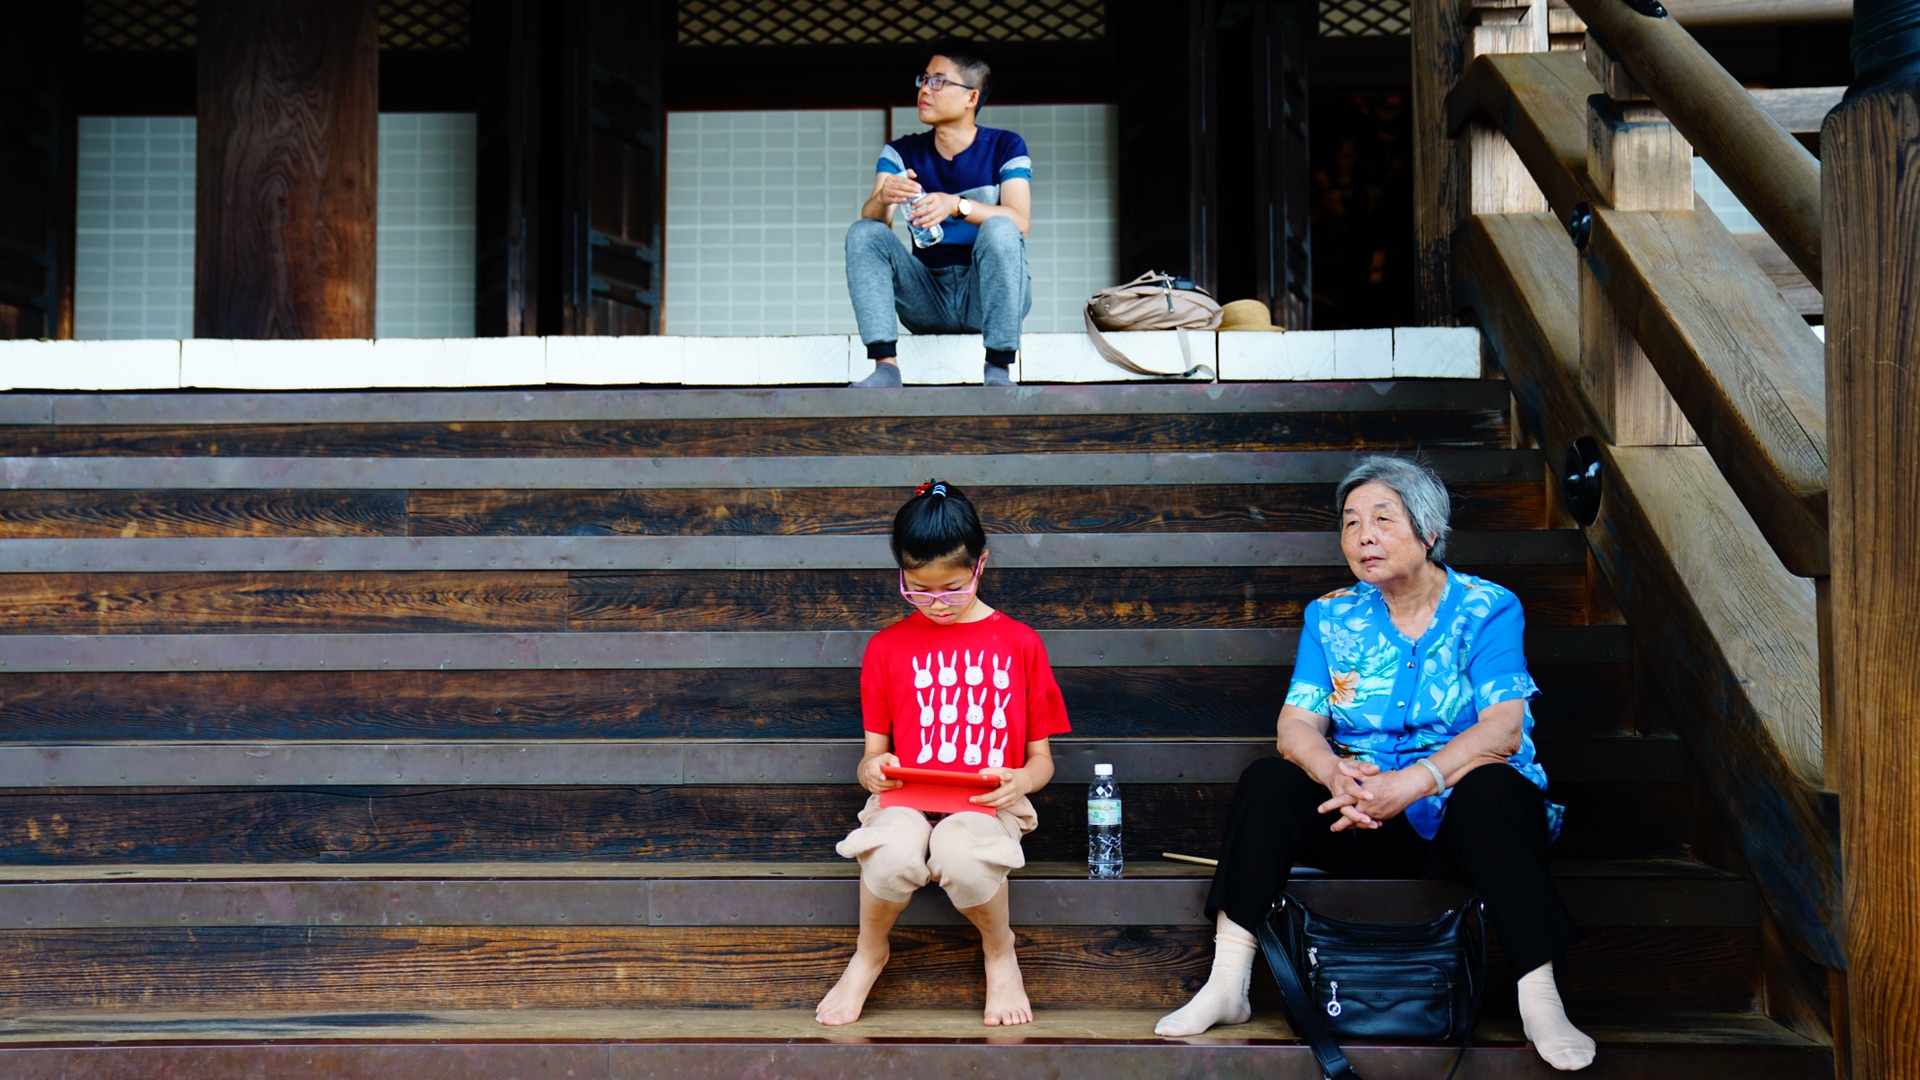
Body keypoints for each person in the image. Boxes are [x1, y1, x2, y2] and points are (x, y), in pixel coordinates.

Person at [1153, 455, 1597, 1072]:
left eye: (1384, 519)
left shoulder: (1488, 608)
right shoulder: (1331, 615)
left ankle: (1539, 996)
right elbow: (1296, 725)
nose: (1364, 535)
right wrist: (1335, 773)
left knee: (1495, 789)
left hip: (1461, 823)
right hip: (1361, 818)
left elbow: (1503, 726)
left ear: (1430, 531)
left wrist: (1415, 782)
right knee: (1269, 782)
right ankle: (1228, 980)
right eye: (1351, 522)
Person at [815, 480, 1070, 1027]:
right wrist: (873, 771)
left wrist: (1019, 782)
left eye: (951, 589)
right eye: (919, 589)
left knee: (962, 855)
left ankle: (1000, 950)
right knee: (890, 851)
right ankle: (869, 952)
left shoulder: (1020, 643)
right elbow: (871, 759)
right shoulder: (886, 647)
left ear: (981, 566)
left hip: (986, 804)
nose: (936, 604)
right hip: (908, 799)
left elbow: (1041, 761)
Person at [845, 39, 1033, 388]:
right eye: (924, 79)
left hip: (985, 295)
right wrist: (883, 197)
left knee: (1001, 228)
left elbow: (1020, 221)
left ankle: (998, 370)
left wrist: (956, 205)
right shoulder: (901, 152)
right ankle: (886, 368)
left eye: (939, 81)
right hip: (927, 296)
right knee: (863, 231)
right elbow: (878, 225)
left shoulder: (1007, 147)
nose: (925, 90)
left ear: (971, 97)